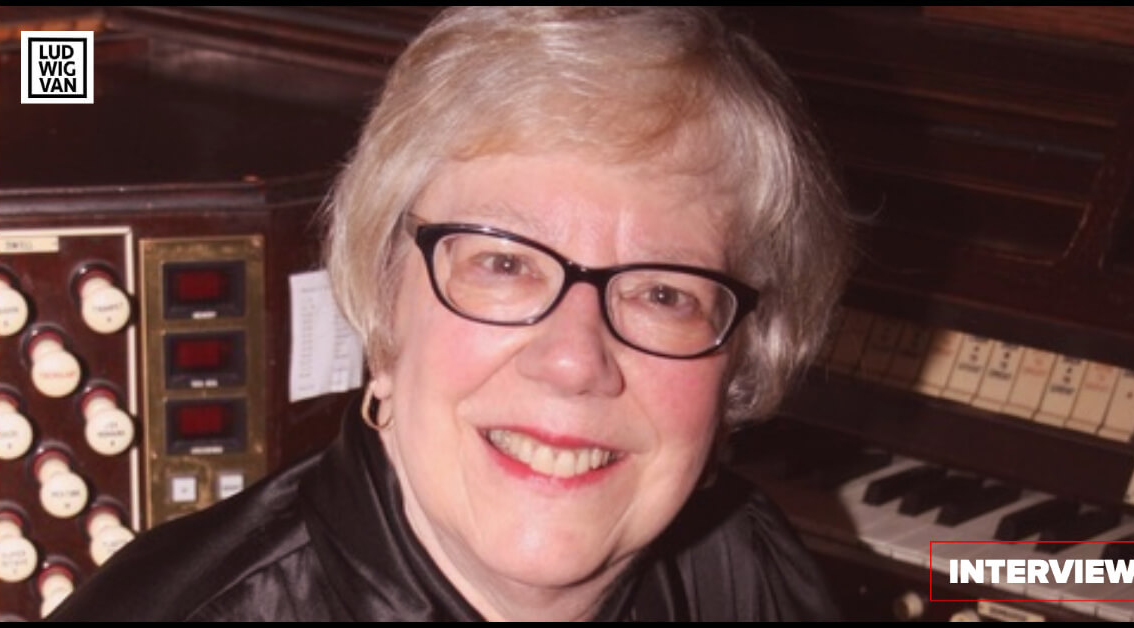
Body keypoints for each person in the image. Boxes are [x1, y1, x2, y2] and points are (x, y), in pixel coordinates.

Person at [50, 6, 850, 621]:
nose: (575, 360)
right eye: (504, 264)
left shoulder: (748, 569)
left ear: (738, 365)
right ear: (383, 305)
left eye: (663, 294)